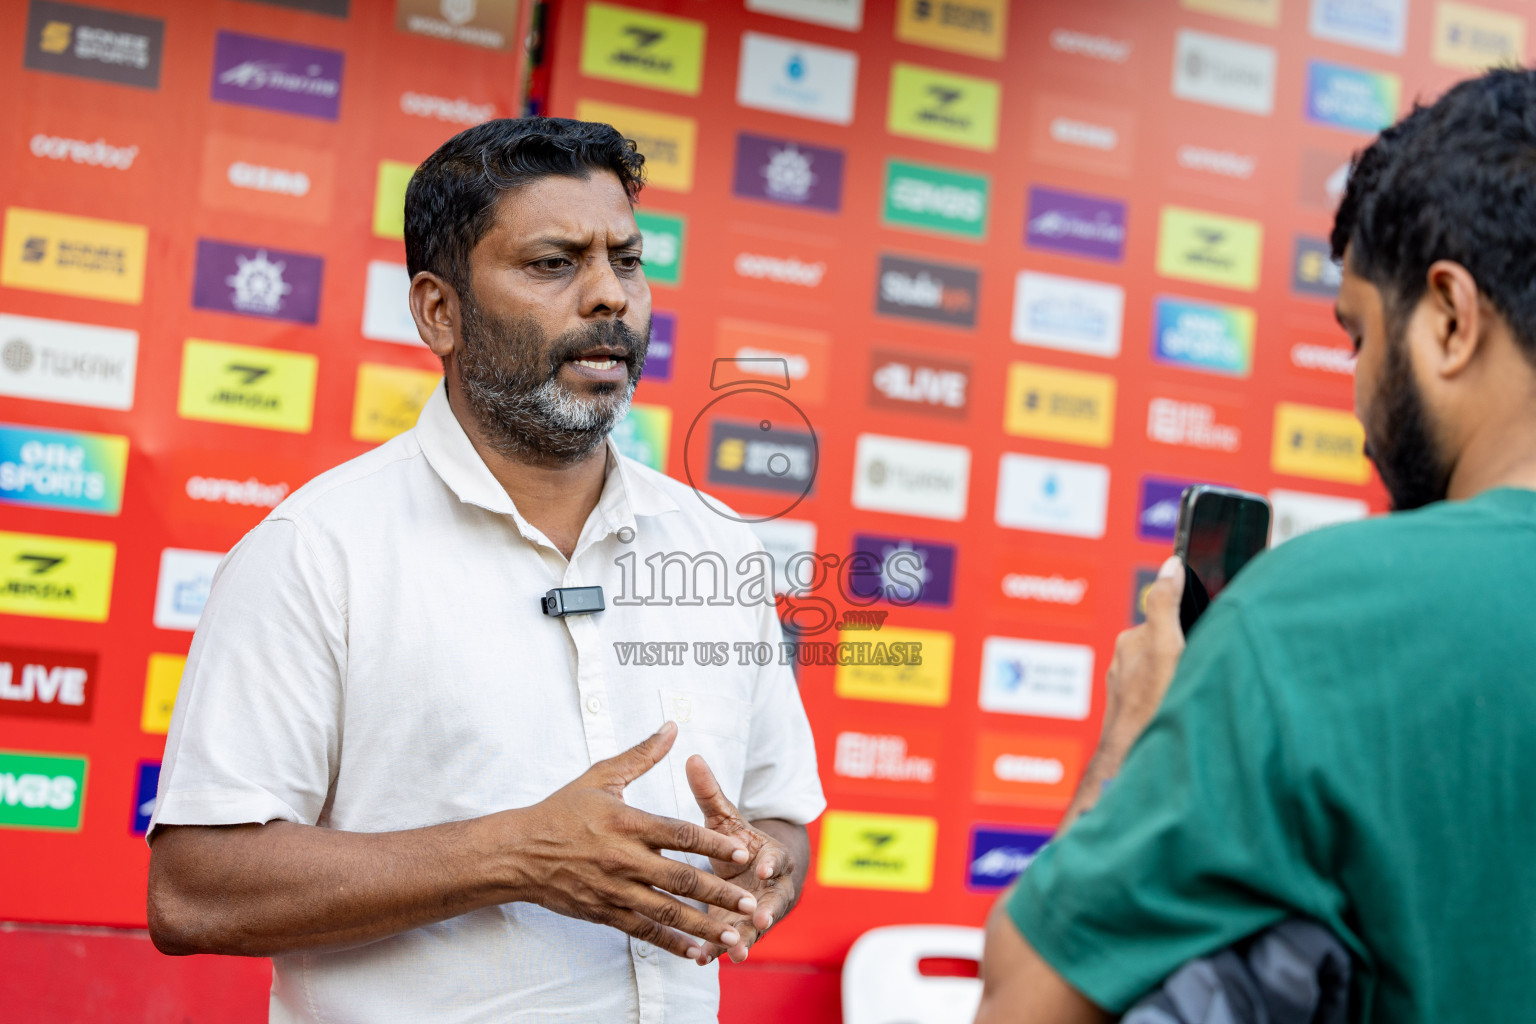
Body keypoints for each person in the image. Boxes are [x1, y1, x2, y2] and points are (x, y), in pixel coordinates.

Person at [145, 118, 825, 1024]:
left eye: (626, 260)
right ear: (440, 311)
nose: (609, 296)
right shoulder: (316, 550)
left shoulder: (718, 549)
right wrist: (515, 856)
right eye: (554, 263)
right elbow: (193, 891)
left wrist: (760, 871)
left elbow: (782, 821)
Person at [976, 67, 1536, 1024]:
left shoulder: (1320, 617)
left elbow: (1025, 1003)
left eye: (1358, 336)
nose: (1357, 390)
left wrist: (1136, 732)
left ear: (1449, 318)